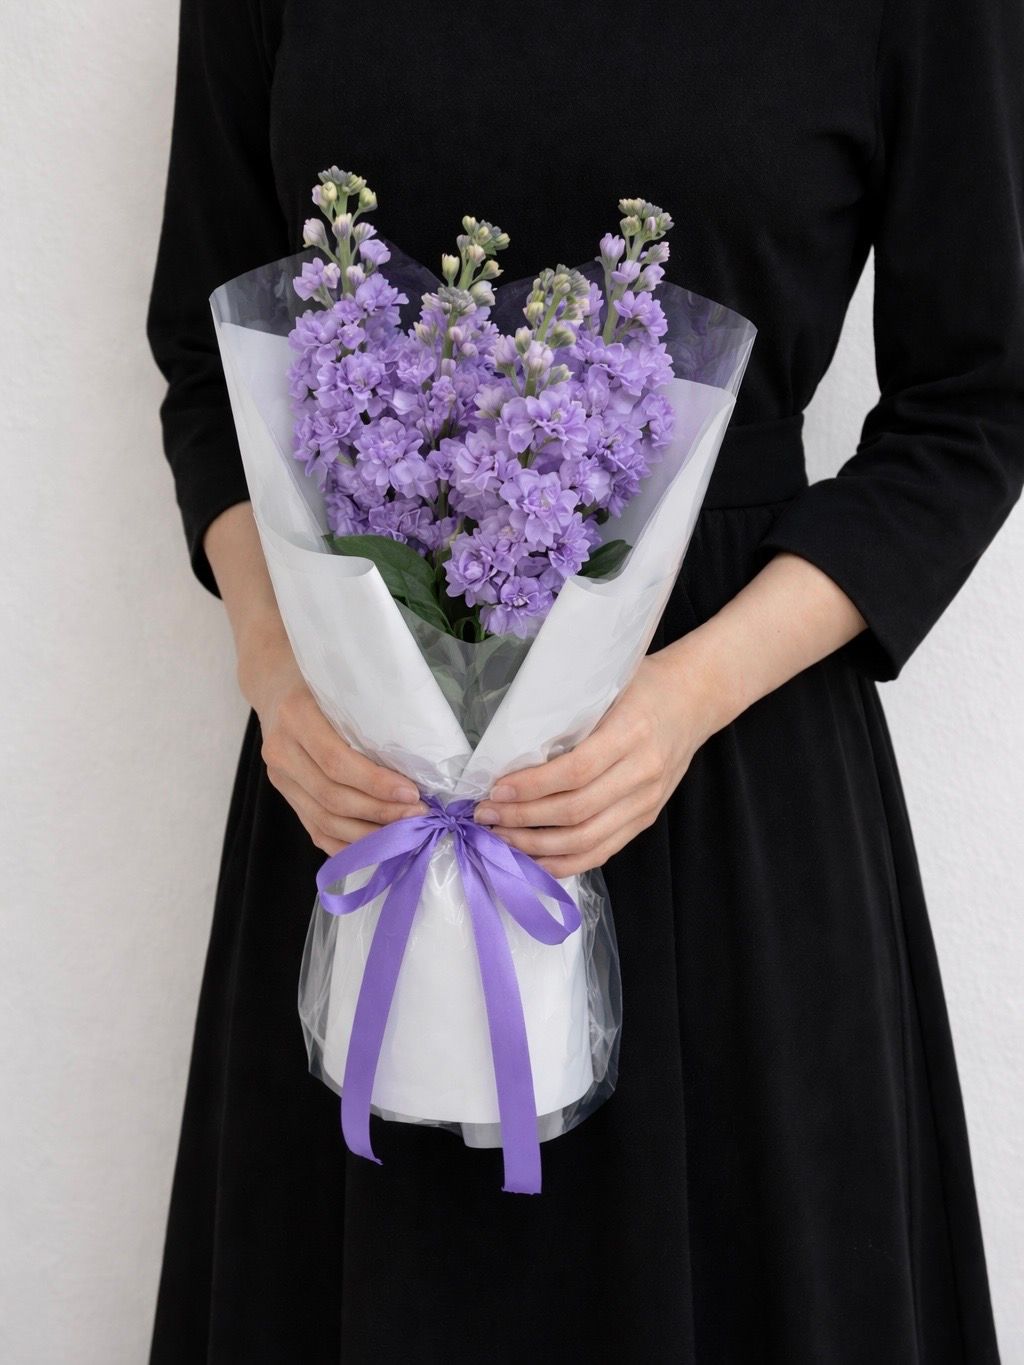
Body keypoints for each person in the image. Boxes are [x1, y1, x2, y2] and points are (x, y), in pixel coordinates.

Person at [145, 0, 1023, 1359]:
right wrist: (280, 676)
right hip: (358, 773)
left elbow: (977, 401)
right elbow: (210, 355)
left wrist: (684, 700)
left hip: (722, 786)